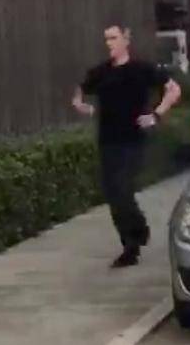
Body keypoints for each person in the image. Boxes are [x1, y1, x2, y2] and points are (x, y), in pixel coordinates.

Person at [73, 23, 182, 268]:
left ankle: (137, 233)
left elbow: (173, 89)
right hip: (108, 141)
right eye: (106, 39)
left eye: (113, 38)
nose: (109, 43)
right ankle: (129, 245)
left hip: (133, 141)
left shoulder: (141, 69)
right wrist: (81, 105)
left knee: (123, 189)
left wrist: (157, 114)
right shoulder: (100, 72)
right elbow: (79, 91)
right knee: (113, 195)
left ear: (125, 39)